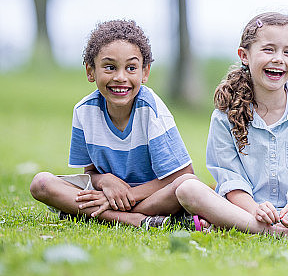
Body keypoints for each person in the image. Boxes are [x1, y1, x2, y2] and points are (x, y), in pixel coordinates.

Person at [175, 12, 288, 240]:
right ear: (245, 55)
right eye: (268, 49)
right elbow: (230, 176)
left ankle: (239, 227)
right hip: (245, 209)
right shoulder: (224, 115)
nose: (279, 58)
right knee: (188, 189)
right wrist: (254, 210)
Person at [29, 19, 198, 229]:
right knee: (41, 183)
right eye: (110, 67)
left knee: (186, 186)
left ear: (144, 72)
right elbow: (90, 174)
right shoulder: (84, 111)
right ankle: (135, 221)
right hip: (108, 194)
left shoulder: (150, 109)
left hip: (151, 197)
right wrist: (105, 181)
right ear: (90, 71)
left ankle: (99, 214)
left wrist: (124, 196)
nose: (120, 77)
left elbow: (184, 175)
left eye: (131, 68)